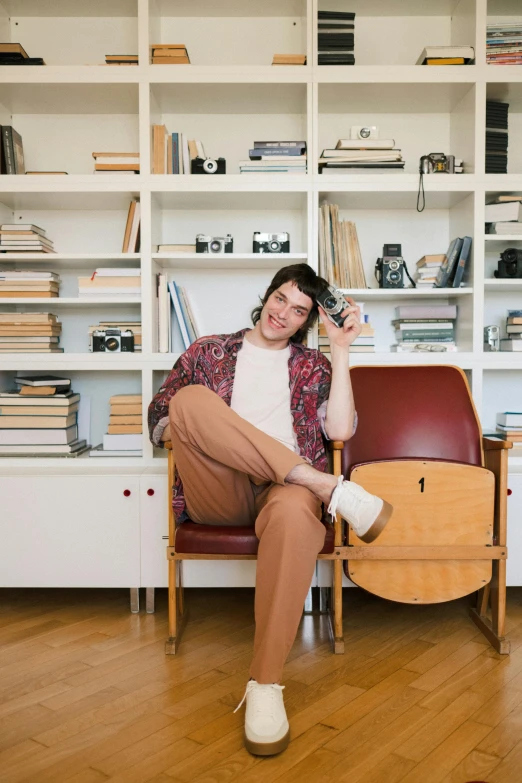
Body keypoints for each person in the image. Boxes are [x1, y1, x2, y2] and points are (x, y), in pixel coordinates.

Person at [148, 263, 393, 757]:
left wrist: (340, 351)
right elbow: (160, 419)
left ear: (307, 321)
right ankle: (329, 488)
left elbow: (339, 431)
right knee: (190, 401)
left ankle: (264, 685)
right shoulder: (207, 351)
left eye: (299, 310)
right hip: (219, 487)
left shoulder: (313, 366)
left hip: (282, 495)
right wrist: (212, 433)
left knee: (291, 510)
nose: (283, 313)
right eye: (281, 298)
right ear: (268, 294)